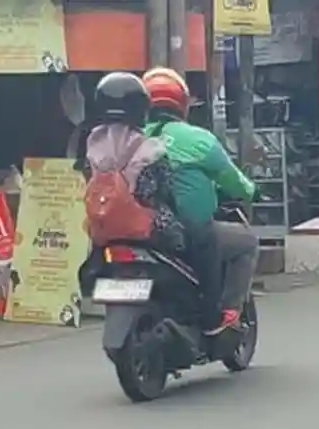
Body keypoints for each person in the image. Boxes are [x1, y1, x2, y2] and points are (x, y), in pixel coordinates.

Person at [141, 67, 258, 335]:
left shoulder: (132, 138)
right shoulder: (199, 139)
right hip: (186, 229)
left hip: (142, 230)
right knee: (247, 242)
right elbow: (232, 179)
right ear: (182, 103)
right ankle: (226, 312)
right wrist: (253, 192)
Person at [77, 72, 185, 298]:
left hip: (103, 228)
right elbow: (164, 190)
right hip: (146, 229)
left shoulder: (91, 145)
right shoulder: (150, 149)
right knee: (187, 240)